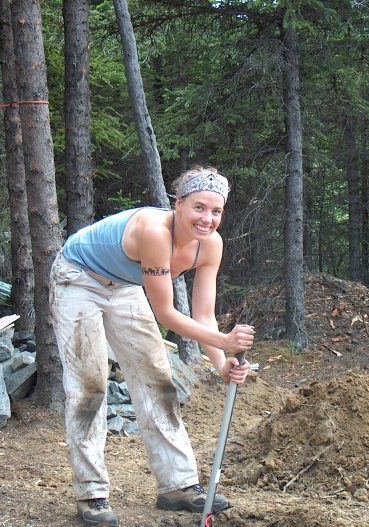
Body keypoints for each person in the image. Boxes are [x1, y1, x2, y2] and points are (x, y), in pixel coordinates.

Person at [49, 166, 255, 527]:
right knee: (89, 386)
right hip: (78, 277)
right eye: (198, 208)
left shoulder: (211, 245)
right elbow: (166, 313)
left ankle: (177, 486)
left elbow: (204, 315)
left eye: (216, 211)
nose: (207, 219)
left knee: (157, 380)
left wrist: (221, 362)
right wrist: (222, 340)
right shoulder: (154, 232)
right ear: (178, 204)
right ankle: (92, 493)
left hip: (124, 286)